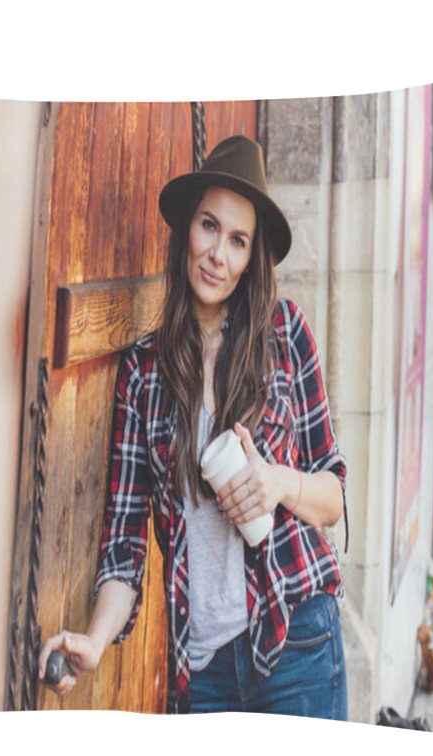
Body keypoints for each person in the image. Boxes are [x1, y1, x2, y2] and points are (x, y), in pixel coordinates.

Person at [38, 135, 348, 718]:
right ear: (187, 232)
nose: (218, 255)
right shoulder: (143, 372)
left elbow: (333, 496)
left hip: (296, 642)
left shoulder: (283, 335)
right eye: (210, 227)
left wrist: (279, 483)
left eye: (238, 241)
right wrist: (95, 642)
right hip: (202, 674)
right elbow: (125, 546)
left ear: (250, 256)